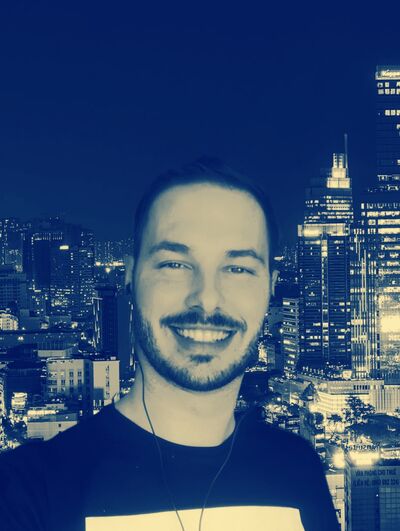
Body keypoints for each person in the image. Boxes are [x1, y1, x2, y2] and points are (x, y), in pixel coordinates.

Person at [0, 159, 340, 531]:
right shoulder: (30, 491)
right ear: (130, 276)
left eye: (238, 268)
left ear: (271, 287)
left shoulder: (298, 469)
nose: (206, 298)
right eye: (175, 264)